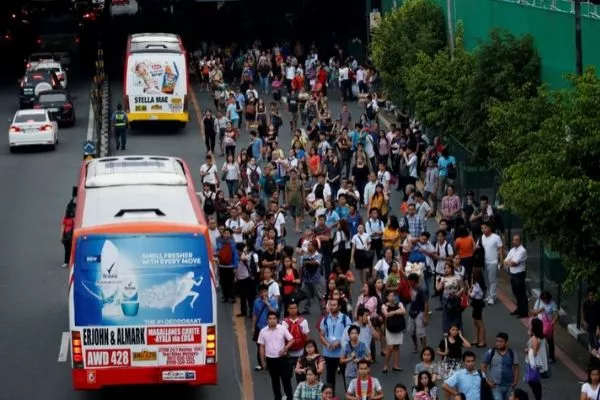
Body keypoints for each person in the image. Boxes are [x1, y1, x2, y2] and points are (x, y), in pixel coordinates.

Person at [258, 311, 295, 400]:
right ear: (267, 320)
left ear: (277, 320)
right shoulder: (263, 331)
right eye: (270, 319)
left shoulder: (282, 329)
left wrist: (285, 348)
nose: (272, 320)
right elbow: (261, 347)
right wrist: (262, 361)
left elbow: (292, 339)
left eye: (274, 318)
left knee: (286, 381)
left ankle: (290, 397)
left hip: (282, 359)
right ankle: (277, 398)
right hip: (271, 360)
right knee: (275, 382)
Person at [319, 298, 351, 395]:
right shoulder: (325, 319)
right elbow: (321, 335)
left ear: (339, 307)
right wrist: (327, 344)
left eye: (334, 305)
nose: (332, 307)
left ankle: (349, 396)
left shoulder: (345, 319)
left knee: (346, 377)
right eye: (330, 305)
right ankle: (331, 397)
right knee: (330, 379)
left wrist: (339, 342)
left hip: (342, 354)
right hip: (328, 353)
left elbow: (350, 335)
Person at [481, 332, 520, 400]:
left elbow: (516, 368)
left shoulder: (512, 353)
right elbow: (483, 366)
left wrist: (515, 381)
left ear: (506, 342)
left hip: (509, 385)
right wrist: (487, 381)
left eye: (501, 341)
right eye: (497, 341)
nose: (498, 343)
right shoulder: (491, 352)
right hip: (495, 386)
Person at [252, 284, 279, 371]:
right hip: (260, 327)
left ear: (268, 292)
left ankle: (269, 363)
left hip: (270, 327)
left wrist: (267, 304)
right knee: (259, 345)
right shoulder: (256, 302)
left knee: (270, 345)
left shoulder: (273, 301)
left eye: (265, 291)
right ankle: (260, 363)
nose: (264, 293)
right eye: (262, 292)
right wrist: (253, 327)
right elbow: (255, 315)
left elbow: (274, 311)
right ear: (259, 293)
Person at [478, 221, 504, 305]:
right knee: (486, 280)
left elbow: (500, 249)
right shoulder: (481, 237)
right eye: (482, 228)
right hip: (484, 262)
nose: (483, 230)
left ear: (489, 228)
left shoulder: (496, 237)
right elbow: (477, 247)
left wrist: (501, 260)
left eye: (485, 228)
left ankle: (493, 297)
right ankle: (489, 295)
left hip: (493, 262)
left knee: (492, 280)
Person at [503, 233, 528, 318]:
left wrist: (510, 263)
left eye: (516, 240)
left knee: (521, 293)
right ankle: (519, 309)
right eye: (513, 240)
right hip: (513, 273)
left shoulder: (522, 250)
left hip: (519, 274)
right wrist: (510, 263)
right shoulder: (512, 250)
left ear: (520, 241)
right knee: (516, 292)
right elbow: (505, 260)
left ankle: (524, 312)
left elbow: (514, 263)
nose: (514, 242)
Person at [381, 289, 406, 373]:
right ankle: (385, 365)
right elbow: (386, 314)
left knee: (397, 347)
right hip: (390, 328)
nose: (392, 297)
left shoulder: (399, 303)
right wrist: (397, 311)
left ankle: (395, 365)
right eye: (390, 296)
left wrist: (394, 312)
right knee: (390, 347)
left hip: (399, 327)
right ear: (387, 297)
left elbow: (404, 311)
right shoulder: (384, 306)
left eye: (393, 295)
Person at [525, 318, 549, 400]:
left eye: (531, 324)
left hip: (533, 363)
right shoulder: (541, 337)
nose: (529, 325)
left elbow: (534, 352)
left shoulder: (535, 338)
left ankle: (538, 397)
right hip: (539, 362)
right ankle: (538, 397)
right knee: (536, 381)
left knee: (532, 380)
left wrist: (528, 350)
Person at [61, 203, 75, 268]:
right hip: (66, 235)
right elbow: (63, 227)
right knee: (67, 249)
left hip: (72, 235)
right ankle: (67, 262)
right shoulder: (66, 218)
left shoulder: (75, 218)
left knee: (72, 249)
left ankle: (71, 262)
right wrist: (61, 236)